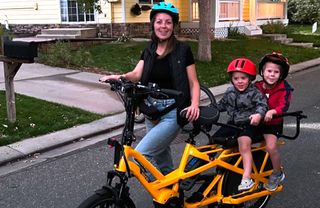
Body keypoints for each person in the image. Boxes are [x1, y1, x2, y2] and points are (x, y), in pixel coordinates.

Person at [99, 2, 200, 177]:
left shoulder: (183, 50)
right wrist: (120, 77)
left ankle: (163, 191)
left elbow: (194, 82)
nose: (163, 26)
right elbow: (137, 74)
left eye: (168, 22)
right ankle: (172, 193)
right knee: (161, 156)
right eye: (159, 21)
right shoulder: (149, 50)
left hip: (172, 112)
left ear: (174, 25)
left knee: (140, 155)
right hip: (151, 110)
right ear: (153, 24)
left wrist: (195, 105)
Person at [213, 58, 268, 191]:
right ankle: (199, 169)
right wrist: (206, 111)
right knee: (213, 141)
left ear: (250, 78)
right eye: (236, 78)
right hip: (232, 124)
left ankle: (246, 178)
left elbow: (262, 105)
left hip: (249, 124)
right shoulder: (230, 91)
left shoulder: (254, 92)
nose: (240, 81)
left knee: (244, 144)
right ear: (232, 79)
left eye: (243, 78)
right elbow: (221, 105)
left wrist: (258, 115)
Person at [255, 52, 293, 191]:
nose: (272, 74)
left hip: (272, 124)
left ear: (281, 74)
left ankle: (277, 173)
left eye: (276, 72)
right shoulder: (257, 86)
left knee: (270, 147)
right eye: (269, 71)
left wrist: (273, 111)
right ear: (262, 72)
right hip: (257, 121)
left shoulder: (284, 88)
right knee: (240, 140)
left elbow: (284, 106)